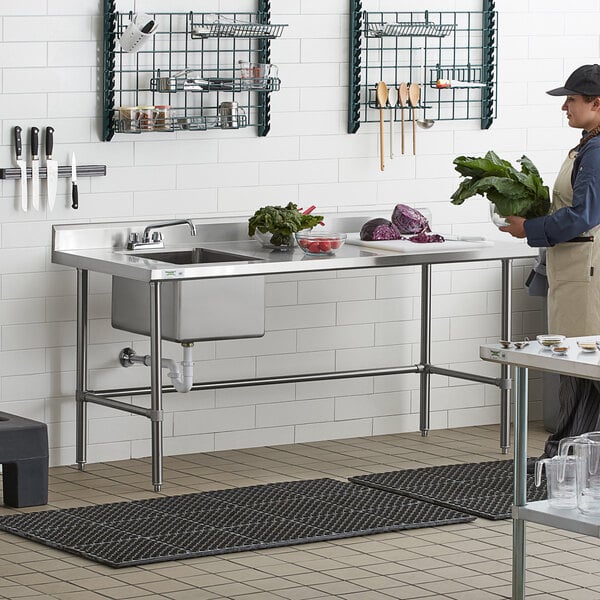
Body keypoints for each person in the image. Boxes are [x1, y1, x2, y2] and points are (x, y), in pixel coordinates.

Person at [500, 64, 600, 465]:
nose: (564, 107)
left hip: (588, 274)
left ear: (597, 103)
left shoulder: (597, 150)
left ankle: (574, 460)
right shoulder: (588, 144)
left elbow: (585, 213)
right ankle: (573, 458)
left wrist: (532, 228)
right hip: (578, 270)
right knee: (578, 367)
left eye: (572, 99)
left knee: (584, 367)